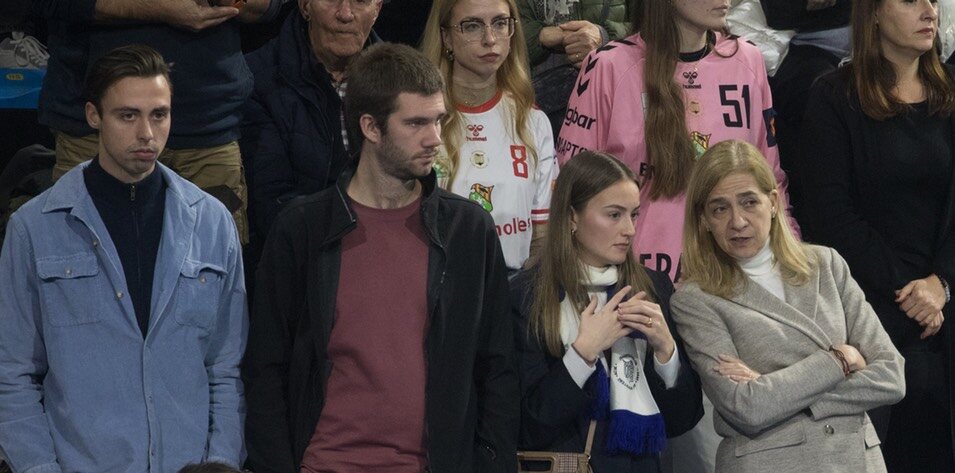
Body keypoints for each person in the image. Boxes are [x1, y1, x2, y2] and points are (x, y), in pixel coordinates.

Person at [243, 42, 519, 473]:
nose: (434, 138)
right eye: (415, 123)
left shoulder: (468, 231)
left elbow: (498, 368)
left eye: (438, 120)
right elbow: (265, 370)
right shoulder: (302, 229)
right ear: (370, 127)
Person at [0, 44, 247, 473]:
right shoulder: (34, 228)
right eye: (128, 116)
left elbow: (225, 370)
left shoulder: (213, 223)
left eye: (159, 114)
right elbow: (12, 374)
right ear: (94, 116)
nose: (147, 134)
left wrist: (221, 463)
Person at [670, 140, 905, 473]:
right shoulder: (695, 300)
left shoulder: (827, 265)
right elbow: (746, 409)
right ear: (704, 220)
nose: (737, 221)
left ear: (774, 202)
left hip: (856, 460)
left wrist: (773, 389)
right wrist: (838, 359)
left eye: (749, 202)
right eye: (719, 208)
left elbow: (891, 377)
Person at [796, 0, 955, 470]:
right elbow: (829, 216)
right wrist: (911, 292)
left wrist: (941, 284)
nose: (929, 10)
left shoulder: (951, 94)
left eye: (932, 0)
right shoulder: (833, 97)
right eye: (910, 0)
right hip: (873, 312)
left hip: (944, 299)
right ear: (875, 15)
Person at [35, 0, 288, 246]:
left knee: (211, 269)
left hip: (208, 127)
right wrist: (163, 8)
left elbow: (269, 7)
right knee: (78, 269)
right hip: (96, 124)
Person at [512, 151, 703, 472]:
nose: (629, 229)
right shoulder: (525, 296)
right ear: (572, 217)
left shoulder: (653, 288)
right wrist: (582, 353)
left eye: (633, 215)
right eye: (614, 215)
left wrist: (666, 353)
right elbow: (526, 425)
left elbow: (682, 420)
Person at [421, 0, 558, 271]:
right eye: (472, 26)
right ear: (446, 36)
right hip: (438, 290)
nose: (490, 39)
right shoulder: (420, 120)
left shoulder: (533, 121)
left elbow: (542, 239)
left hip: (514, 293)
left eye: (500, 23)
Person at [240, 0, 382, 240]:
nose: (346, 14)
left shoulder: (400, 81)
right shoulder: (258, 79)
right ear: (305, 6)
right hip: (301, 255)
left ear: (377, 9)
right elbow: (273, 206)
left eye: (360, 1)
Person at [518, 0, 631, 134]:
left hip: (610, 95)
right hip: (531, 96)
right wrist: (539, 35)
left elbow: (652, 24)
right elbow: (499, 22)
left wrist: (605, 38)